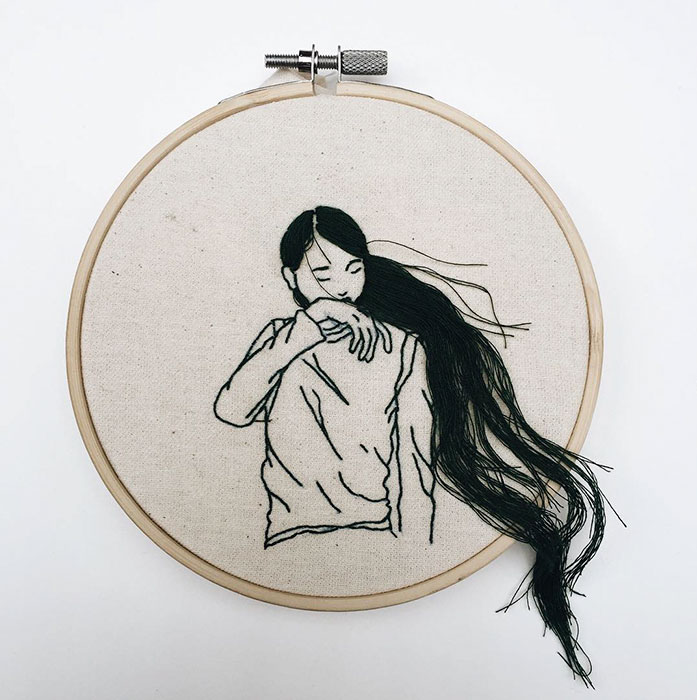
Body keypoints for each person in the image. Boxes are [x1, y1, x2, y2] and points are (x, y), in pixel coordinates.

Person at [214, 205, 617, 684]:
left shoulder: (404, 347)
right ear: (290, 278)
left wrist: (412, 554)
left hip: (378, 533)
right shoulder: (280, 342)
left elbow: (413, 465)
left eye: (353, 269)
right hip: (290, 533)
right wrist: (307, 327)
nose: (340, 285)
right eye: (321, 274)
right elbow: (233, 409)